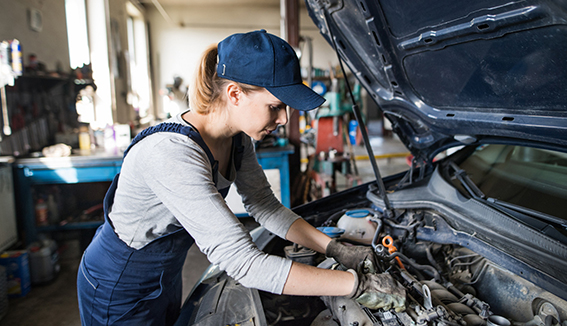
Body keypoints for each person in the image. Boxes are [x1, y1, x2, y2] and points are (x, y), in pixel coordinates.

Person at [77, 30, 405, 326]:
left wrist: (333, 248)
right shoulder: (171, 153)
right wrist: (357, 285)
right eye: (275, 106)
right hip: (119, 282)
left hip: (166, 273)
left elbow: (265, 207)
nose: (283, 119)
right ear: (234, 94)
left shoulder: (237, 139)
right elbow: (242, 262)